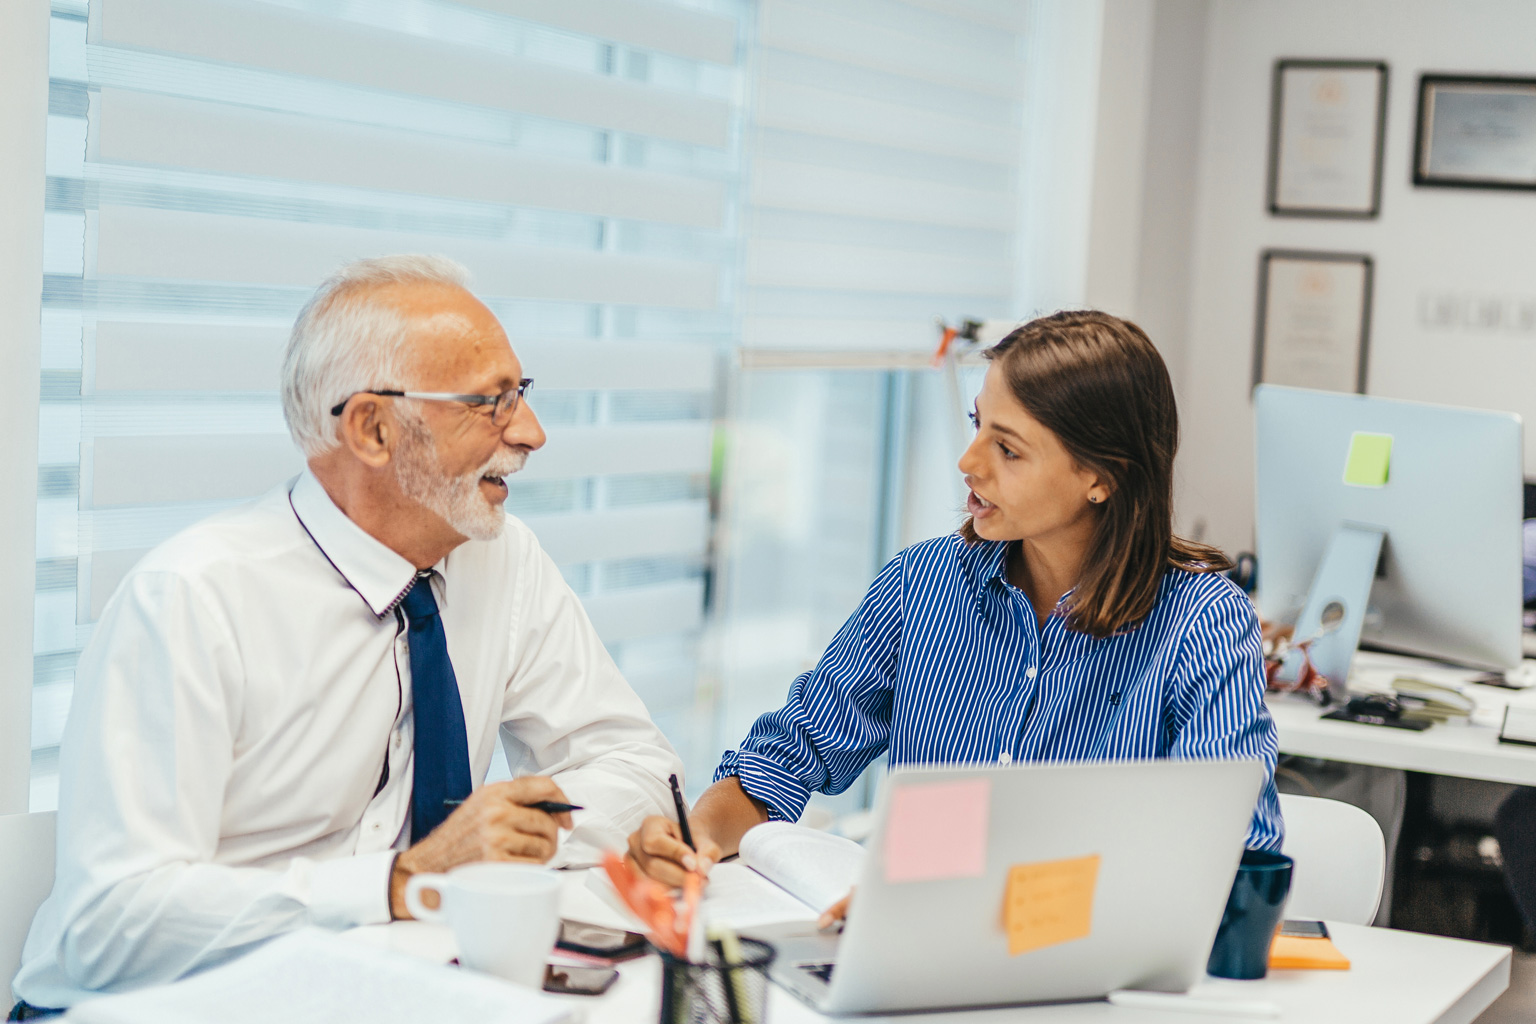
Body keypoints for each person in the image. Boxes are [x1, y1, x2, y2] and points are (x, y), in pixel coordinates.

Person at [11, 255, 683, 1014]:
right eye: (490, 403)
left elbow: (638, 763)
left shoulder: (503, 558)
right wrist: (403, 882)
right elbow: (112, 928)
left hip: (378, 989)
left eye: (520, 395)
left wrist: (522, 836)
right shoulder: (191, 600)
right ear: (372, 428)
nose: (530, 433)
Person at [628, 310, 1283, 914]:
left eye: (1009, 449)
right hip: (916, 976)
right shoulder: (922, 584)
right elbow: (788, 756)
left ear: (1101, 476)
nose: (968, 464)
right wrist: (693, 836)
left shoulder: (1201, 621)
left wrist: (970, 914)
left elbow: (1235, 856)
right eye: (977, 426)